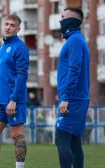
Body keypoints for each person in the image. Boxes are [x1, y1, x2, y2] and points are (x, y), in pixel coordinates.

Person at [0, 14, 29, 168]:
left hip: (14, 101)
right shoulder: (3, 47)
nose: (8, 27)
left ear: (18, 28)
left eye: (12, 25)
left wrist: (13, 99)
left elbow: (21, 76)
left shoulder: (21, 47)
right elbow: (0, 74)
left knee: (17, 136)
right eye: (6, 24)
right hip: (0, 101)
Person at [55, 7, 90, 168]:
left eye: (62, 17)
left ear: (71, 20)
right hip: (76, 98)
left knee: (61, 138)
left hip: (73, 99)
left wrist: (65, 97)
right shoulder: (76, 40)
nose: (60, 20)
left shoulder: (75, 41)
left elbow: (74, 70)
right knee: (74, 142)